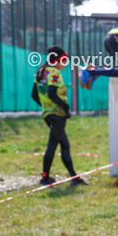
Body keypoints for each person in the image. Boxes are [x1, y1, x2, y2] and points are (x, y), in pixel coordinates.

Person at [32, 46, 85, 187]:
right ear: (56, 60)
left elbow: (34, 94)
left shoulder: (41, 71)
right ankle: (45, 177)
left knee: (64, 144)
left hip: (48, 114)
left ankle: (74, 177)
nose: (65, 62)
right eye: (64, 59)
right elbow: (51, 93)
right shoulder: (54, 72)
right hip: (57, 115)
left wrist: (45, 106)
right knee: (53, 145)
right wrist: (66, 107)